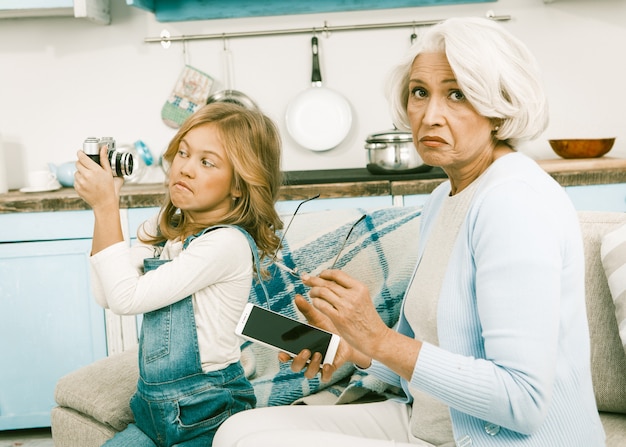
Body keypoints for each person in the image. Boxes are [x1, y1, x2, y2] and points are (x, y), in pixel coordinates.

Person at [213, 17, 606, 447]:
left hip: (495, 439)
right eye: (420, 92)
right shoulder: (445, 197)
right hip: (432, 422)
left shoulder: (514, 202)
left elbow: (521, 401)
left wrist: (378, 337)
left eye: (457, 94)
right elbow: (426, 346)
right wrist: (353, 348)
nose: (430, 115)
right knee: (238, 430)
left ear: (500, 108)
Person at [74, 102, 283, 446]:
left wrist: (105, 207)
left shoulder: (225, 244)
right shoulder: (166, 229)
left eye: (206, 162)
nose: (184, 168)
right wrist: (107, 202)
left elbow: (128, 299)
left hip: (207, 413)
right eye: (183, 153)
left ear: (239, 185)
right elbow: (108, 294)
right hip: (152, 411)